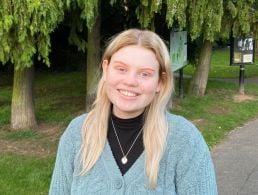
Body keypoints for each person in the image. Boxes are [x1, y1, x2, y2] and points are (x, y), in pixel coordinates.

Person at [49, 29, 217, 195]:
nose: (130, 81)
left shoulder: (185, 141)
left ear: (160, 82)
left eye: (145, 74)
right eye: (121, 69)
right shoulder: (77, 134)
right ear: (106, 69)